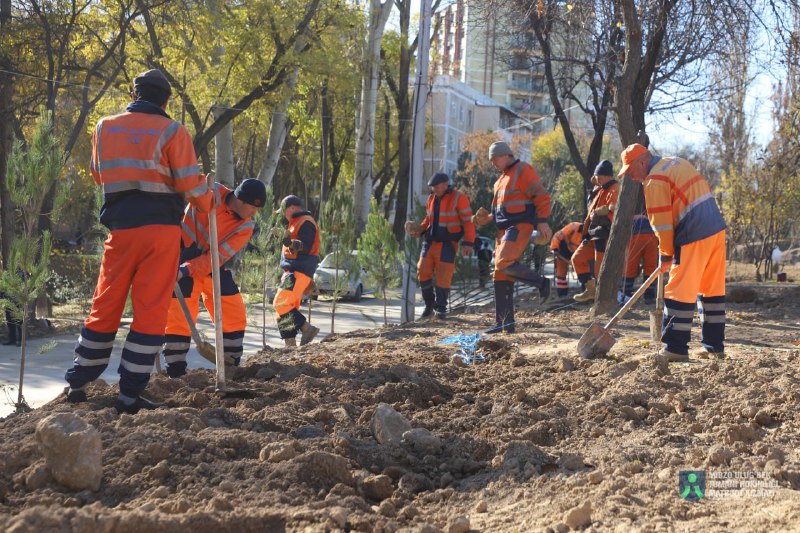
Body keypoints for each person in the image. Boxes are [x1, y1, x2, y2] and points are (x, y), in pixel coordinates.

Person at [64, 69, 214, 414]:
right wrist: (209, 200)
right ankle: (129, 394)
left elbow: (98, 173)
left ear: (134, 95)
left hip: (121, 230)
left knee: (105, 303)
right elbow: (192, 188)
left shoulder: (104, 127)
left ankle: (78, 381)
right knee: (149, 311)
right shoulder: (174, 131)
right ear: (165, 101)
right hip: (161, 232)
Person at [619, 143, 727, 361]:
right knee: (711, 290)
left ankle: (675, 349)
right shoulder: (677, 162)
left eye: (630, 170)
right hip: (716, 229)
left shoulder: (654, 180)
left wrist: (666, 254)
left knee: (679, 289)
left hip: (693, 233)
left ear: (642, 162)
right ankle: (715, 347)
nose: (631, 177)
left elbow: (662, 224)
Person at [160, 178, 266, 378]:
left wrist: (185, 270)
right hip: (183, 253)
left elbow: (217, 257)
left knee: (233, 310)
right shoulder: (212, 189)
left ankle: (230, 364)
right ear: (241, 201)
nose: (254, 214)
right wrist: (205, 196)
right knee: (178, 317)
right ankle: (176, 371)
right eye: (253, 208)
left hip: (212, 265)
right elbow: (182, 183)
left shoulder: (245, 226)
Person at [473, 141, 551, 334]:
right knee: (500, 274)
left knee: (504, 262)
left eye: (495, 158)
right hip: (504, 231)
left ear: (506, 155)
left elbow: (541, 196)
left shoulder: (524, 170)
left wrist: (542, 221)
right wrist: (484, 220)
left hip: (519, 225)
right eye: (491, 160)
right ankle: (505, 324)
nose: (493, 163)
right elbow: (497, 212)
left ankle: (542, 282)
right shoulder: (499, 181)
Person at [405, 172, 475, 319]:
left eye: (436, 187)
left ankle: (441, 308)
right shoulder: (432, 199)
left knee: (444, 275)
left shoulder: (459, 198)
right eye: (432, 187)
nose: (434, 190)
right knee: (422, 270)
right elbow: (428, 220)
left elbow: (468, 222)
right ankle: (429, 305)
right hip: (430, 242)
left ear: (445, 184)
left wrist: (468, 242)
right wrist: (420, 229)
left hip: (448, 243)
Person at [274, 195, 320, 347]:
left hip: (298, 271)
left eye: (284, 211)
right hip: (294, 271)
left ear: (292, 208)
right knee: (285, 309)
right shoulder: (295, 223)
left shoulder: (306, 222)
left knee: (280, 303)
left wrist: (288, 241)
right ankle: (290, 346)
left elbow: (304, 246)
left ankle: (307, 329)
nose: (283, 215)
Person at [572, 160, 620, 302]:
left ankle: (602, 299)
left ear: (606, 176)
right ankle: (591, 289)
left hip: (604, 234)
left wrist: (598, 212)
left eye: (598, 177)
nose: (596, 180)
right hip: (593, 234)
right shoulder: (600, 189)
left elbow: (614, 207)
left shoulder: (615, 188)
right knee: (577, 258)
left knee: (600, 270)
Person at [620, 213, 659, 305]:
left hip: (634, 236)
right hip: (651, 236)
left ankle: (626, 295)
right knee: (650, 267)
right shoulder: (646, 217)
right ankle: (649, 296)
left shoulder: (626, 219)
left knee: (630, 266)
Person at [550, 221, 583, 299]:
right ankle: (562, 294)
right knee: (561, 273)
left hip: (577, 252)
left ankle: (586, 291)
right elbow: (557, 236)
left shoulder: (591, 234)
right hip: (563, 248)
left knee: (584, 272)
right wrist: (554, 248)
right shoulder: (573, 227)